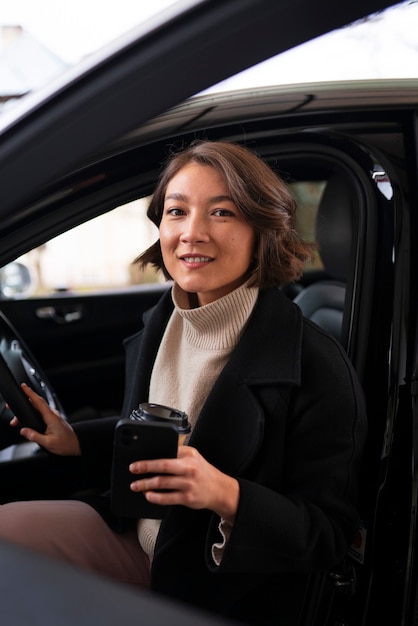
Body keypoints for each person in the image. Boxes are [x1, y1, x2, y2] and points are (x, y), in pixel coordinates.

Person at [0, 140, 367, 626]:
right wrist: (76, 442)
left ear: (263, 230)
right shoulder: (164, 318)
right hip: (137, 530)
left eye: (222, 213)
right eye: (177, 211)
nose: (192, 233)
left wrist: (226, 494)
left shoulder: (318, 365)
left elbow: (330, 535)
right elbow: (162, 433)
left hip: (214, 580)